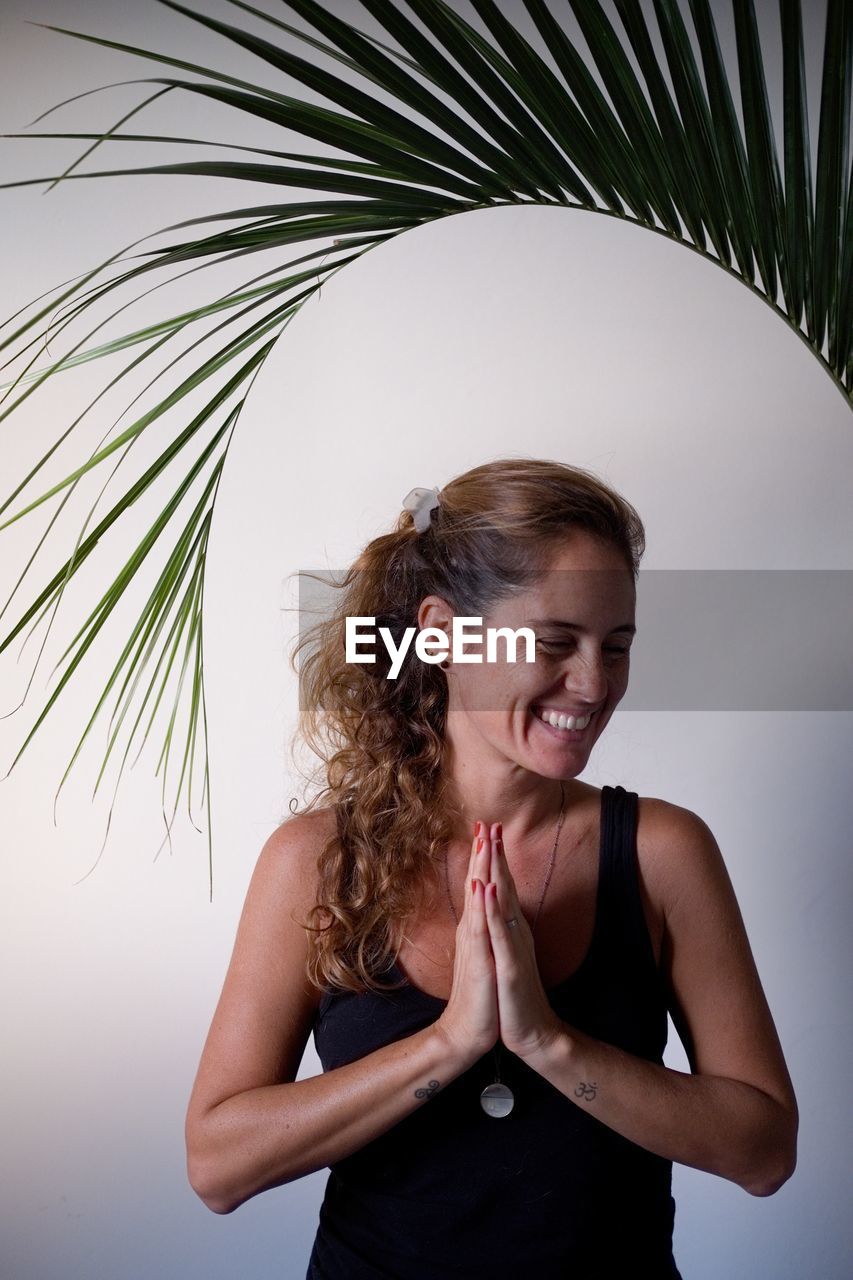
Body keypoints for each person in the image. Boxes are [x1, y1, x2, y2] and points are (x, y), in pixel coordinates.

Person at [184, 457, 798, 1278]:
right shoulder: (317, 864)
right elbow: (218, 1167)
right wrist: (447, 1046)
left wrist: (548, 1041)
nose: (593, 684)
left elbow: (762, 1153)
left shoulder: (662, 852)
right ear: (440, 632)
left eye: (615, 646)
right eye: (554, 642)